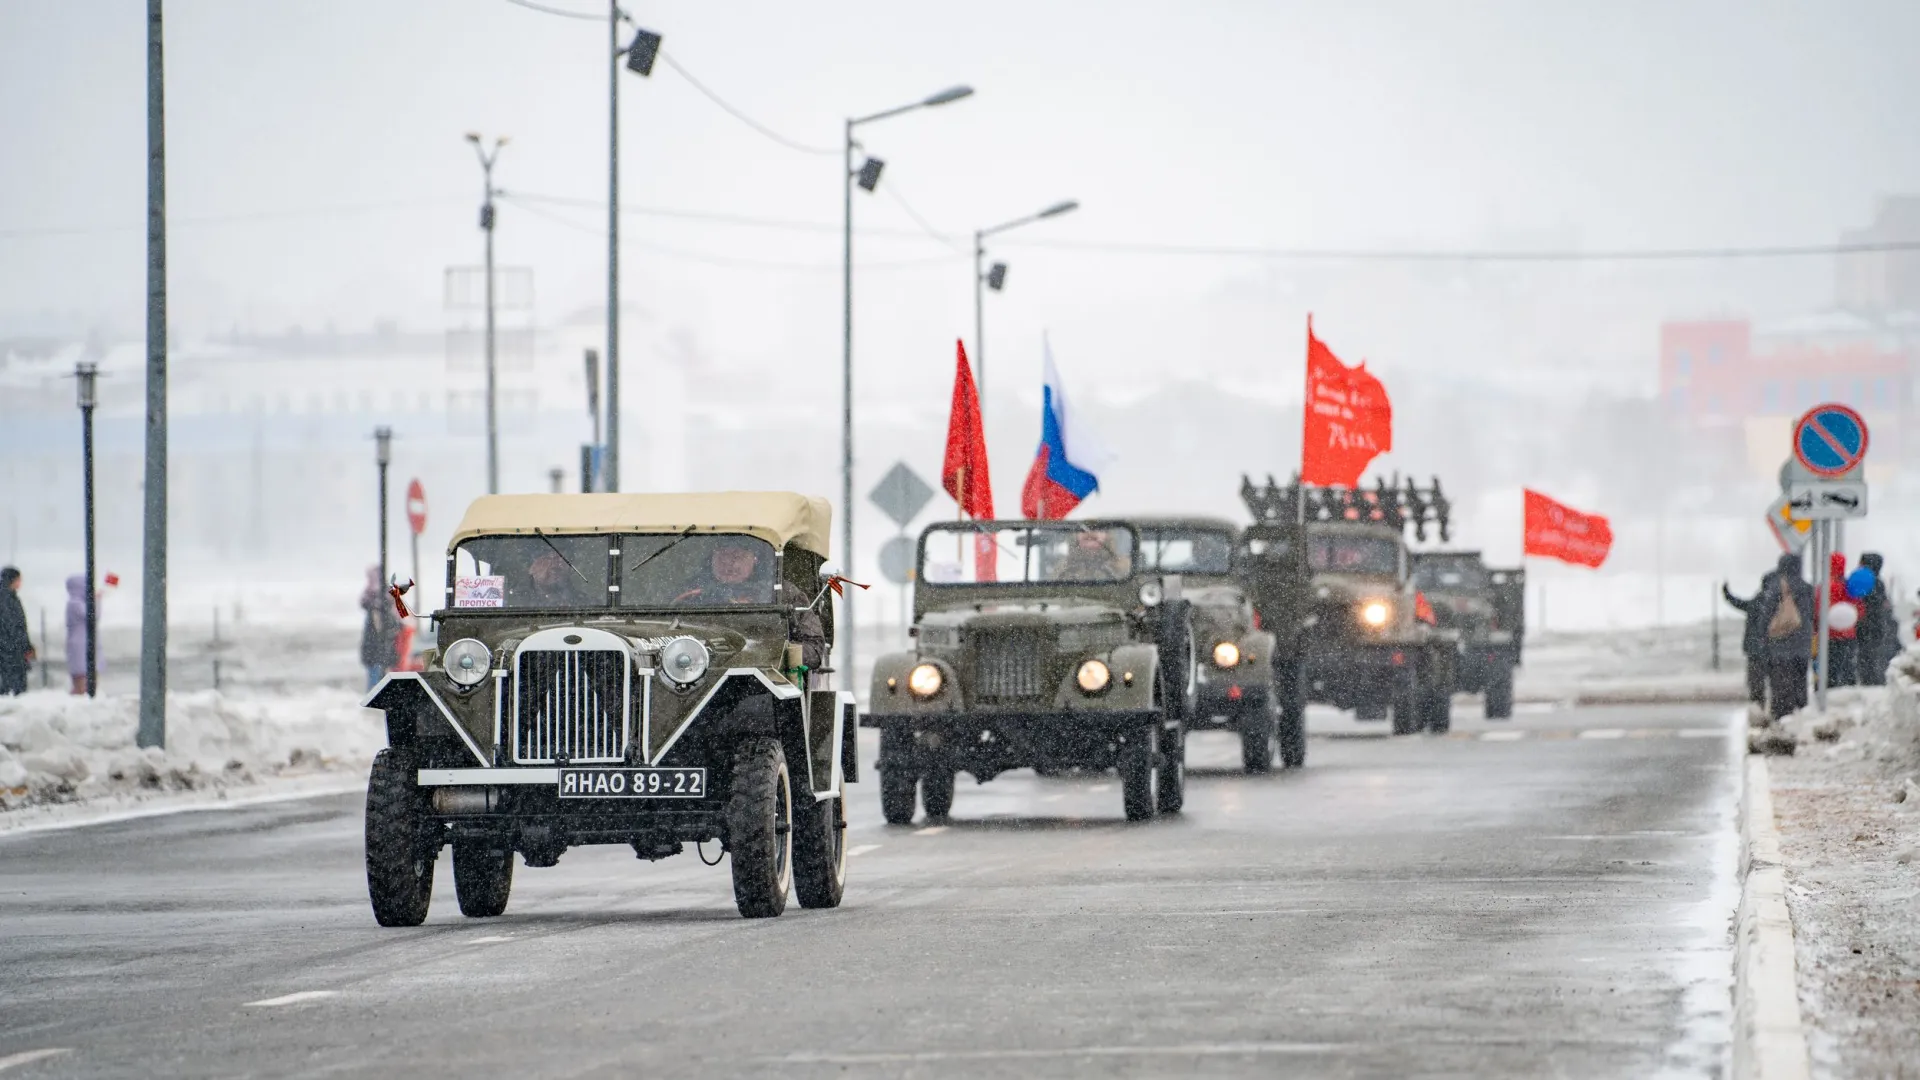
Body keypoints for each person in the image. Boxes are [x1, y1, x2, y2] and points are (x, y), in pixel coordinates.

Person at [1757, 553, 1815, 719]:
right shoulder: (1808, 589)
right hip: (1803, 646)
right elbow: (1813, 615)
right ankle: (1801, 714)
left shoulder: (1776, 588)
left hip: (1780, 647)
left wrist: (1763, 639)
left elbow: (1766, 617)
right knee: (1800, 683)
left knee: (1781, 687)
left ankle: (1783, 718)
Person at [673, 540, 773, 605]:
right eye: (723, 555)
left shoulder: (776, 592)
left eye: (737, 556)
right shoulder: (689, 591)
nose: (729, 562)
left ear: (755, 559)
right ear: (712, 558)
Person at [1721, 580, 1768, 705]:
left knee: (1754, 680)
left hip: (1753, 649)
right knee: (1767, 680)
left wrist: (1727, 594)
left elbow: (1738, 603)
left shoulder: (1755, 602)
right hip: (1767, 649)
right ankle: (1764, 704)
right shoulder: (1774, 603)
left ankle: (1756, 703)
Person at [1855, 553, 1898, 686]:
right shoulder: (1878, 583)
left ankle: (1870, 681)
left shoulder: (1868, 583)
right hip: (1876, 627)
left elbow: (1865, 603)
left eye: (1861, 563)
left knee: (1867, 657)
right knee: (1872, 657)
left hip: (1866, 627)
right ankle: (1873, 680)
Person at [1824, 552, 1861, 688]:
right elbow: (1859, 609)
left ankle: (1830, 692)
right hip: (1848, 633)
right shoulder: (1849, 586)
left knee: (1830, 670)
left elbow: (1818, 610)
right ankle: (1847, 692)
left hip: (1829, 635)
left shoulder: (1826, 587)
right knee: (1847, 668)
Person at [359, 565, 398, 691]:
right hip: (376, 650)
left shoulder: (376, 598)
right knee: (376, 679)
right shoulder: (377, 601)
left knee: (376, 680)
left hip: (377, 649)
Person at [64, 573, 103, 695]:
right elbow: (93, 616)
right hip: (81, 645)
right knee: (82, 681)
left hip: (82, 643)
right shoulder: (75, 603)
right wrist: (97, 600)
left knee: (86, 679)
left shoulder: (76, 602)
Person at [0, 567, 34, 695]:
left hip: (8, 649)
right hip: (11, 650)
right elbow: (15, 625)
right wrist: (25, 646)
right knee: (14, 686)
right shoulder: (8, 600)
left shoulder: (9, 597)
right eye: (19, 579)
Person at [1051, 529, 1127, 581]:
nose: (1090, 532)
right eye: (1082, 529)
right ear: (1075, 536)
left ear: (1108, 535)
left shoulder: (1124, 566)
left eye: (1099, 529)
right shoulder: (1062, 568)